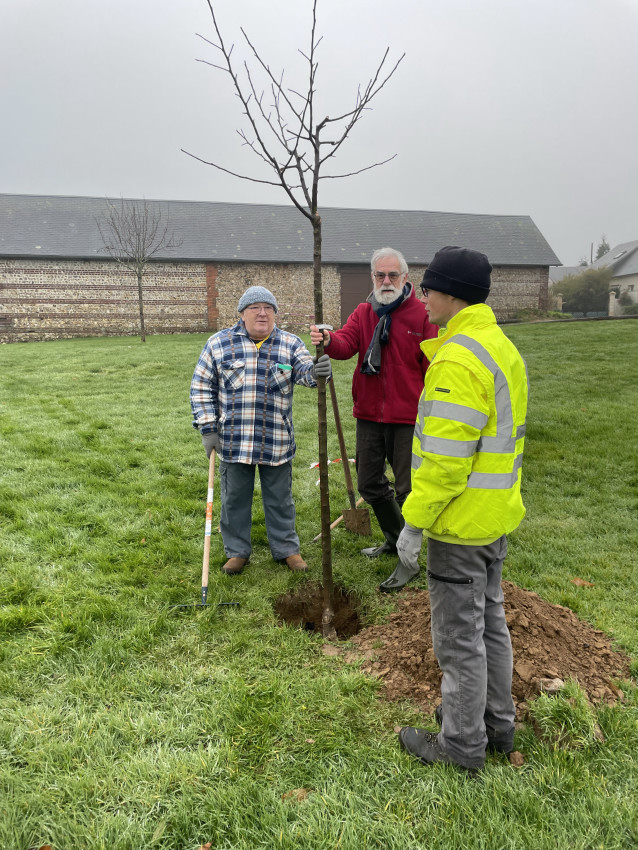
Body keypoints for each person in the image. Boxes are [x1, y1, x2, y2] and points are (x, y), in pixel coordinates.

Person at [395, 246, 528, 774]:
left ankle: (461, 745)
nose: (421, 297)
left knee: (458, 642)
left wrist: (414, 521)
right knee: (490, 623)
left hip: (459, 522)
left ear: (450, 294)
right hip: (493, 517)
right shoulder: (499, 346)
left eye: (427, 288)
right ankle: (497, 726)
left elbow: (446, 463)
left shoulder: (458, 357)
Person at [310, 247, 437, 592]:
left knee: (407, 490)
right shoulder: (365, 312)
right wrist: (327, 339)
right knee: (369, 483)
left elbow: (434, 368)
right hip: (369, 413)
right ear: (372, 278)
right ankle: (394, 538)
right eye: (379, 275)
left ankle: (407, 559)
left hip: (409, 417)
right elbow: (345, 344)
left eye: (392, 275)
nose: (385, 281)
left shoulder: (421, 316)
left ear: (405, 278)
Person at [190, 285, 331, 575]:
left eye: (268, 308)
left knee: (280, 498)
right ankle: (237, 552)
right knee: (234, 499)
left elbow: (304, 372)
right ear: (242, 314)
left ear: (275, 314)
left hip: (275, 439)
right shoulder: (219, 344)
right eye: (255, 308)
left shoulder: (290, 344)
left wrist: (316, 371)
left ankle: (287, 549)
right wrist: (208, 428)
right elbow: (202, 386)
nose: (262, 313)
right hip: (234, 440)